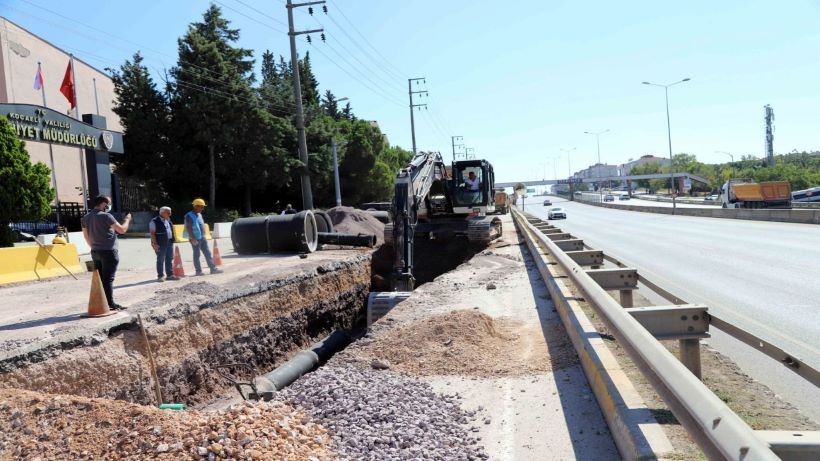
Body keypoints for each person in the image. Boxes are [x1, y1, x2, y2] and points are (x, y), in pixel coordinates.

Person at [81, 196, 131, 310]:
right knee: (108, 279)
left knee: (101, 279)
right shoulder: (106, 216)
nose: (109, 206)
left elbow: (86, 236)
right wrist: (127, 219)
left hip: (95, 251)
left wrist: (94, 247)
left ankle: (104, 302)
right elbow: (122, 230)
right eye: (108, 203)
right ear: (104, 204)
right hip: (109, 251)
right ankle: (110, 304)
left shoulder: (85, 218)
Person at [185, 198, 223, 275]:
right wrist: (193, 238)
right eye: (201, 207)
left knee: (207, 253)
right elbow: (188, 228)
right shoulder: (189, 215)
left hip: (202, 237)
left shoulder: (199, 215)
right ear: (196, 206)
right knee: (197, 254)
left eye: (203, 207)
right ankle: (198, 271)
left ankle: (213, 269)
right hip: (195, 238)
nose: (202, 208)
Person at [150, 206, 178, 282]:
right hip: (160, 243)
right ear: (162, 213)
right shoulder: (154, 221)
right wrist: (155, 244)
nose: (170, 214)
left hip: (169, 242)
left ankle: (170, 275)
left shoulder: (168, 220)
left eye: (170, 212)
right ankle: (160, 276)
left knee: (169, 258)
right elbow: (152, 234)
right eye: (168, 212)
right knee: (160, 259)